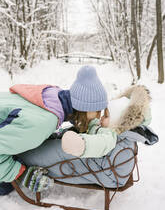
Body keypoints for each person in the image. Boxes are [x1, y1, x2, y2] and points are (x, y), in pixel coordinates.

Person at [0, 65, 117, 195]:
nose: (98, 116)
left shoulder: (53, 96)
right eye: (97, 111)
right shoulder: (42, 123)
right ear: (84, 108)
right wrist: (21, 174)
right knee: (5, 185)